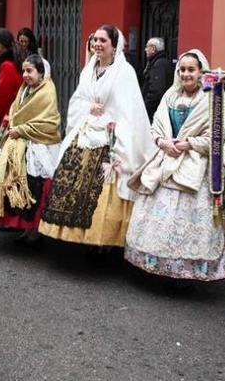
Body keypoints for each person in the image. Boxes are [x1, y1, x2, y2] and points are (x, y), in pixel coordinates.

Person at [125, 49, 225, 281]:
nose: (186, 74)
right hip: (168, 157)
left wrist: (188, 143)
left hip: (195, 164)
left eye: (191, 69)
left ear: (201, 72)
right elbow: (156, 126)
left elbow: (217, 137)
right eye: (182, 69)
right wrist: (163, 142)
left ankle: (188, 272)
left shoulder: (213, 99)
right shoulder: (170, 96)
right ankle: (159, 267)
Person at [40, 25, 153, 248]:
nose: (97, 45)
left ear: (114, 46)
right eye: (95, 40)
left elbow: (130, 109)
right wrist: (88, 107)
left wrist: (116, 127)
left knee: (104, 186)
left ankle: (103, 241)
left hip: (111, 133)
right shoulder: (88, 69)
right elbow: (77, 100)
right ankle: (72, 237)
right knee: (71, 178)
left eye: (103, 41)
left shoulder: (124, 72)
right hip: (86, 129)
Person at [0, 54, 61, 240]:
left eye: (29, 71)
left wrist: (21, 129)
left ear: (41, 72)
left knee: (34, 186)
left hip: (38, 146)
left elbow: (48, 123)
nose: (25, 75)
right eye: (24, 70)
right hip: (18, 142)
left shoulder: (47, 91)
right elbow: (15, 112)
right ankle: (24, 227)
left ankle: (35, 230)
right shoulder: (25, 90)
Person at [140, 37, 173, 120]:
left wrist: (145, 108)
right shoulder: (161, 62)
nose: (145, 49)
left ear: (153, 48)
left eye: (147, 47)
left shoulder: (158, 64)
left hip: (154, 111)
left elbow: (156, 91)